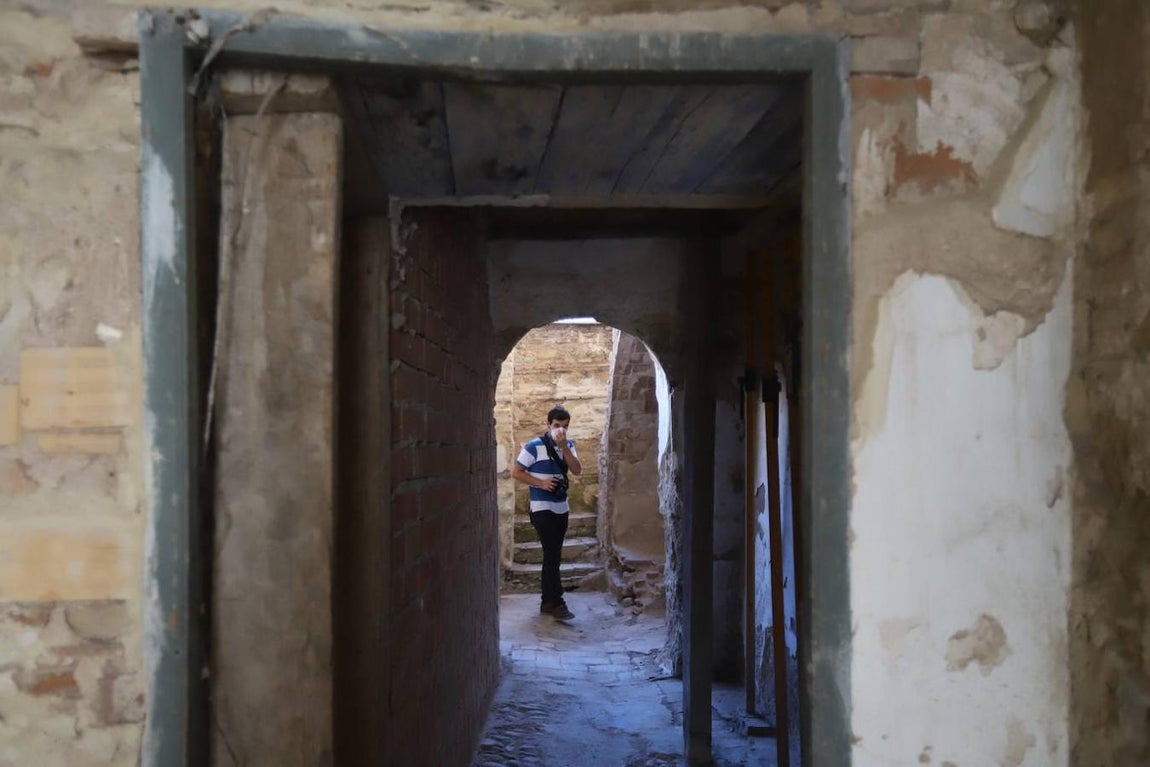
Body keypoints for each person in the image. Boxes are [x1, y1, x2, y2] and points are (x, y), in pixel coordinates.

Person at [510, 405, 583, 621]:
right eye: (557, 426)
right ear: (547, 424)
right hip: (541, 507)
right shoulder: (534, 446)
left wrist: (564, 447)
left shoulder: (568, 444)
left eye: (565, 427)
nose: (561, 430)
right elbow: (516, 472)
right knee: (552, 553)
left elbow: (577, 470)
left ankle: (547, 602)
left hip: (561, 506)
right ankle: (558, 602)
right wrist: (540, 483)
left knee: (554, 554)